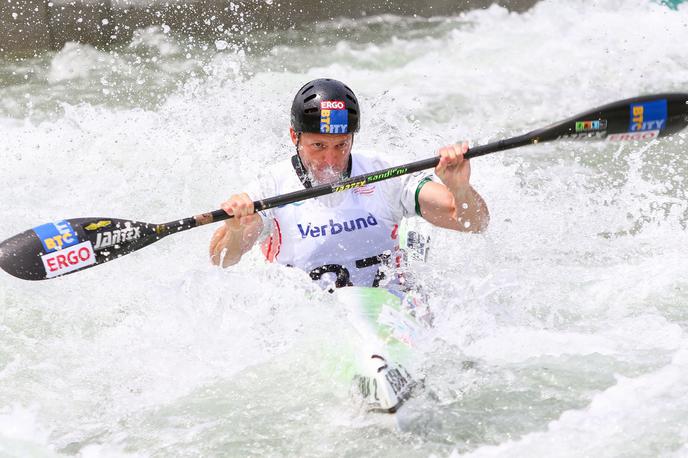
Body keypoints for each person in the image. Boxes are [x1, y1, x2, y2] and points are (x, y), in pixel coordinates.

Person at [209, 78, 489, 289]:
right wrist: (234, 231)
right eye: (318, 145)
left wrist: (459, 187)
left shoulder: (385, 173)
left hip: (389, 309)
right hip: (311, 318)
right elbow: (223, 259)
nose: (331, 159)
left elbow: (474, 223)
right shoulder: (271, 186)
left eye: (341, 145)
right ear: (294, 136)